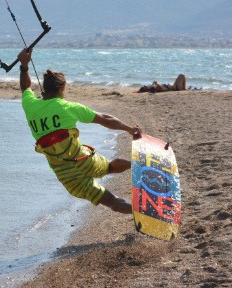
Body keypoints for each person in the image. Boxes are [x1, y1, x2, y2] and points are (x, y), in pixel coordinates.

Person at [18, 48, 142, 214]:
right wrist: (129, 129)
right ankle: (139, 167)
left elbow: (25, 87)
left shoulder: (29, 105)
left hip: (63, 172)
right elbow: (105, 119)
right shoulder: (68, 107)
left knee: (111, 201)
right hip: (83, 158)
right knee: (109, 167)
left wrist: (24, 65)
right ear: (62, 88)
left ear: (45, 88)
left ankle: (144, 213)